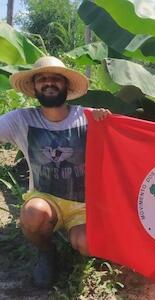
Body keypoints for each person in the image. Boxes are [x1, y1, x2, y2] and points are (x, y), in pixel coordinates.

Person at [0, 56, 111, 289]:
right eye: (42, 79)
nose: (48, 83)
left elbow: (122, 144)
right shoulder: (21, 119)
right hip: (45, 200)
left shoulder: (90, 117)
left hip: (83, 205)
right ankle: (47, 251)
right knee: (32, 214)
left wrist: (107, 121)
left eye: (55, 78)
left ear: (66, 85)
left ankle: (74, 236)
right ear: (34, 87)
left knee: (88, 245)